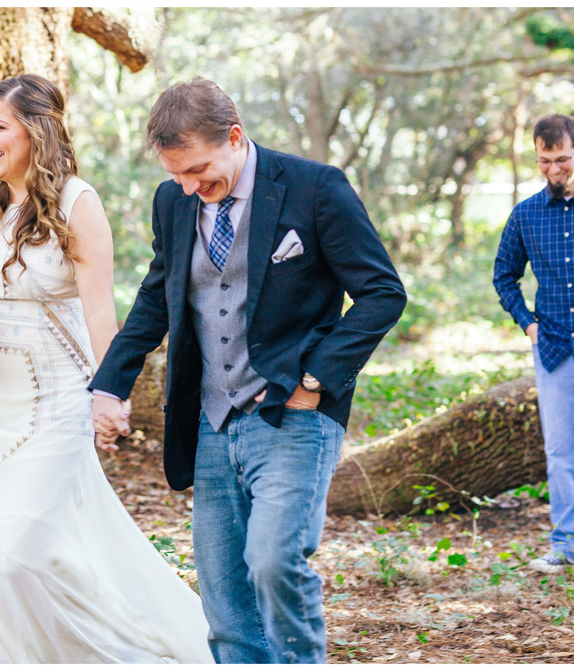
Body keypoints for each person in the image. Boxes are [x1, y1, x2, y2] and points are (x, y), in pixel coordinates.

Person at [90, 78, 406, 664]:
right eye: (178, 174)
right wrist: (110, 383)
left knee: (273, 560)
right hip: (212, 419)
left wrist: (315, 381)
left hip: (292, 414)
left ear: (235, 137)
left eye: (201, 171)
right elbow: (157, 299)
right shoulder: (174, 200)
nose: (191, 187)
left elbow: (383, 294)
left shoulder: (315, 189)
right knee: (223, 591)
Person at [0, 73, 213, 663]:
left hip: (53, 399)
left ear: (36, 131)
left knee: (23, 547)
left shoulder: (78, 202)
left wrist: (112, 393)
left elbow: (101, 310)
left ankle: (128, 650)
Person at [493, 114, 574, 573]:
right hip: (553, 344)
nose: (553, 170)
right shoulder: (526, 215)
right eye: (544, 161)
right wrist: (528, 325)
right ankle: (568, 545)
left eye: (561, 160)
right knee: (560, 450)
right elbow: (504, 276)